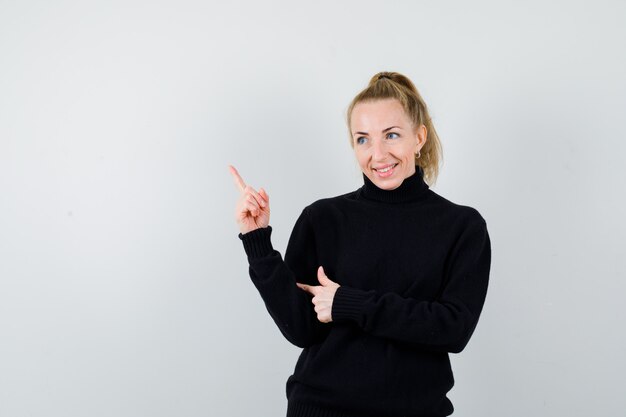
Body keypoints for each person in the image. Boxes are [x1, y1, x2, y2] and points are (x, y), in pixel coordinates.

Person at [229, 71, 492, 417]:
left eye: (392, 135)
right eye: (363, 139)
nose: (378, 154)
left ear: (419, 137)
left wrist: (349, 303)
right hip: (321, 408)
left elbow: (453, 329)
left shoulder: (462, 227)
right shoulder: (322, 218)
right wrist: (256, 240)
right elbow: (301, 329)